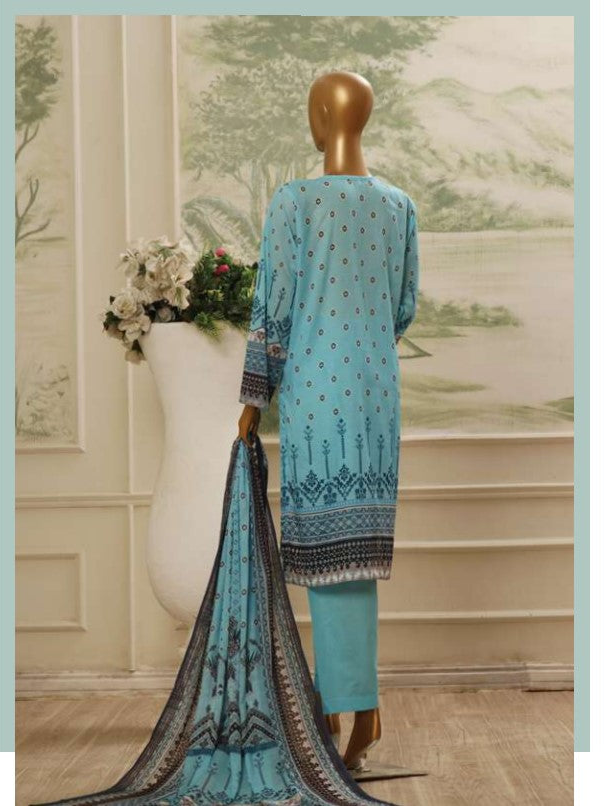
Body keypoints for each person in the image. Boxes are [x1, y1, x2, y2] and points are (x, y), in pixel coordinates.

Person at [238, 71, 420, 772]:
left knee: (328, 554)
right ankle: (341, 704)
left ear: (321, 115)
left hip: (317, 392)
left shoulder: (294, 202)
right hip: (375, 392)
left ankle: (349, 705)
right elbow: (402, 307)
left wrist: (253, 399)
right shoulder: (399, 206)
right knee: (353, 551)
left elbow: (274, 307)